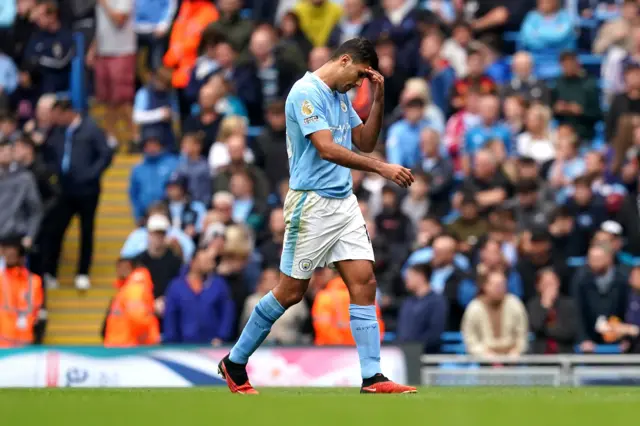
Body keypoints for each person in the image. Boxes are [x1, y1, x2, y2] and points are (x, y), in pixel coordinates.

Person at [218, 37, 416, 394]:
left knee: (364, 281)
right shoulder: (305, 93)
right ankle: (234, 362)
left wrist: (378, 96)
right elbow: (326, 148)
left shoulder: (341, 95)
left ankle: (372, 376)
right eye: (357, 76)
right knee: (291, 292)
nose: (357, 85)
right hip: (311, 204)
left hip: (343, 201)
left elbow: (364, 141)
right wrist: (382, 169)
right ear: (343, 60)